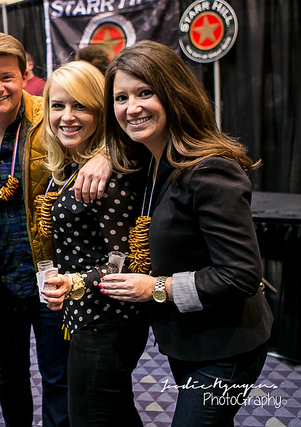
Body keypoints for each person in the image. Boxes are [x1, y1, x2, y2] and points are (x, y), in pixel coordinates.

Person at [98, 40, 273, 426]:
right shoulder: (152, 162)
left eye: (145, 92)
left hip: (227, 345)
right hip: (188, 341)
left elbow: (240, 275)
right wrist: (101, 155)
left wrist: (155, 288)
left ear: (174, 94)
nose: (132, 107)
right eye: (121, 98)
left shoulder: (210, 169)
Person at [0, 32, 76, 427]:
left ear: (24, 75)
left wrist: (104, 159)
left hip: (49, 276)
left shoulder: (53, 114)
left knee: (59, 377)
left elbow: (98, 136)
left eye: (6, 76)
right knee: (11, 378)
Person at [38, 61, 148, 426]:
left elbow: (123, 259)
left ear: (100, 112)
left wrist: (75, 282)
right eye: (57, 105)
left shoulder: (107, 175)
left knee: (92, 417)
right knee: (113, 413)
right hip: (86, 319)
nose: (67, 117)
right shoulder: (73, 166)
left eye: (80, 105)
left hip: (108, 321)